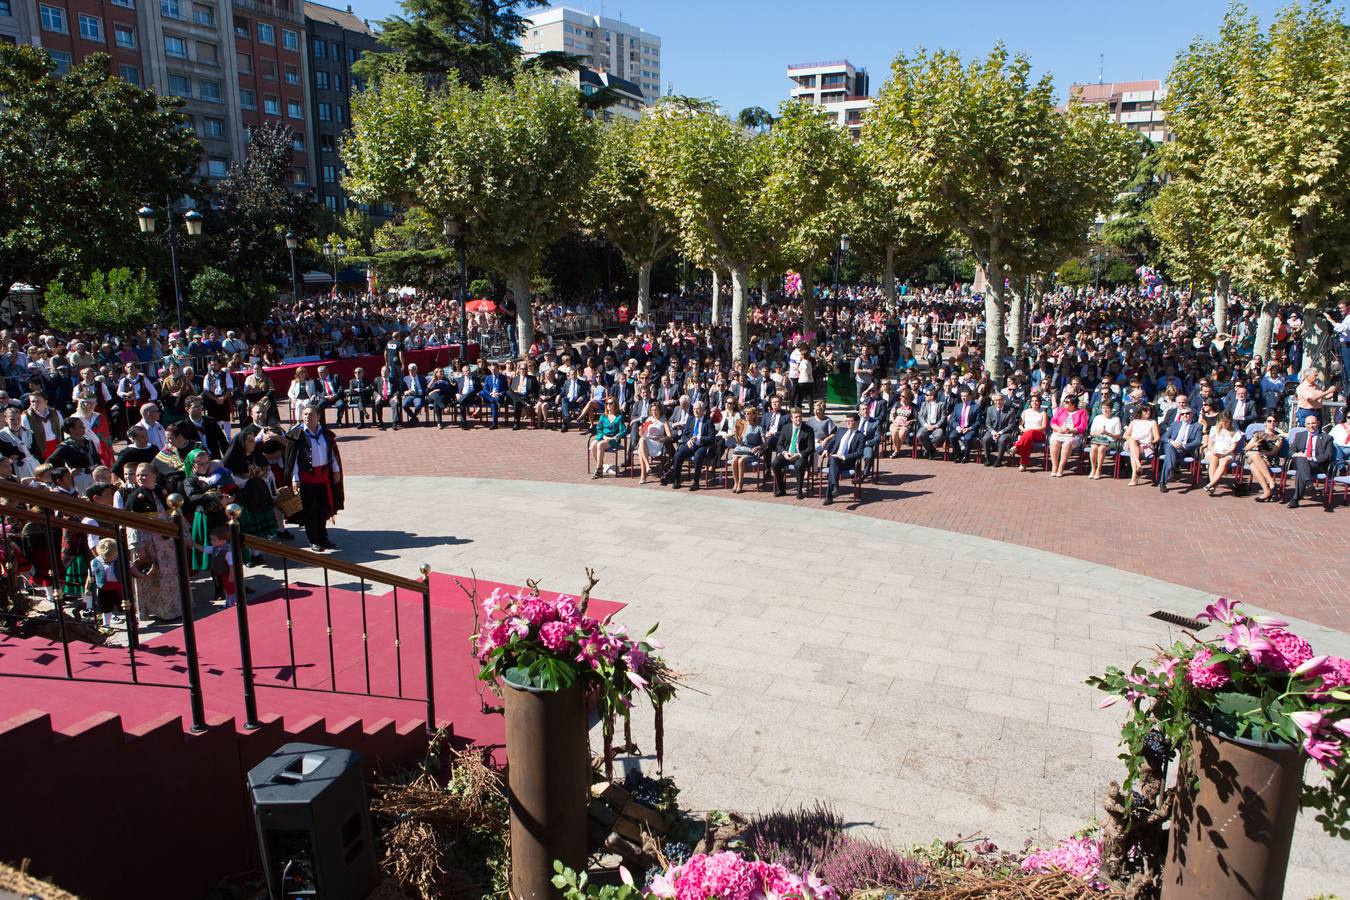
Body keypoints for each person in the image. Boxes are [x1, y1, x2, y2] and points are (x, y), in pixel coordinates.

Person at [123, 463, 181, 622]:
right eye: (138, 475)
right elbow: (131, 525)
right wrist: (137, 546)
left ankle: (173, 608)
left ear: (154, 475)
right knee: (152, 578)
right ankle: (155, 610)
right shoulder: (134, 497)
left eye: (144, 474)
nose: (140, 478)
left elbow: (175, 515)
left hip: (167, 544)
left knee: (170, 577)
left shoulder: (163, 492)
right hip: (147, 544)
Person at [284, 407, 344, 551]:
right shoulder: (297, 435)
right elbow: (294, 461)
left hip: (324, 478)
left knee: (324, 509)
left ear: (318, 416)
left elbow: (332, 454)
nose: (307, 417)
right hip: (307, 479)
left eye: (310, 414)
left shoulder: (325, 434)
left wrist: (336, 471)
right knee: (311, 511)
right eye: (305, 414)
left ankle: (323, 537)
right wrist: (295, 478)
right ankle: (313, 539)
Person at [665, 400, 713, 490]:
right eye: (694, 409)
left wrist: (699, 438)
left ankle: (696, 482)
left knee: (698, 456)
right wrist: (688, 441)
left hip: (702, 445)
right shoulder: (690, 419)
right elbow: (685, 434)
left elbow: (711, 438)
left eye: (698, 409)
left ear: (703, 410)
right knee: (678, 454)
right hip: (691, 444)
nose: (695, 411)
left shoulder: (708, 422)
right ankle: (677, 480)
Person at [1287, 414, 1333, 509]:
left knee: (1300, 471)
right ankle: (1308, 483)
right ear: (1305, 425)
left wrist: (1312, 458)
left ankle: (1295, 499)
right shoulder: (1299, 435)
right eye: (1308, 424)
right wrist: (1298, 454)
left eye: (1313, 423)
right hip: (1300, 461)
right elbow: (1291, 450)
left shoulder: (1327, 438)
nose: (1311, 426)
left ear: (1318, 423)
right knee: (1301, 459)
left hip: (1315, 464)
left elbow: (1328, 455)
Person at [771, 406, 814, 499]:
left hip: (800, 455)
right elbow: (779, 445)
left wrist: (798, 454)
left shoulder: (808, 430)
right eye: (796, 417)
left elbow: (811, 447)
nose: (798, 419)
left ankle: (799, 491)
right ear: (791, 418)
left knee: (799, 465)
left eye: (800, 417)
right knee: (775, 464)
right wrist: (784, 453)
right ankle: (782, 489)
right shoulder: (786, 428)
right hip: (788, 454)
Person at [1158, 406, 1203, 493]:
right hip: (1171, 446)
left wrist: (1184, 446)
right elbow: (1164, 437)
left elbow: (1197, 441)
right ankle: (1171, 469)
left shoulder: (1197, 426)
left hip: (1183, 450)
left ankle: (1163, 482)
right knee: (1169, 447)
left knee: (1168, 456)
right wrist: (1172, 441)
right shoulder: (1175, 424)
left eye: (1187, 413)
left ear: (1192, 414)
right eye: (1182, 414)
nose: (1185, 415)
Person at [824, 412, 866, 505]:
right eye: (847, 421)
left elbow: (859, 453)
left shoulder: (861, 436)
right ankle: (834, 486)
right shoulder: (841, 430)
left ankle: (830, 495)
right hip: (835, 460)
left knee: (832, 469)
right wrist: (826, 449)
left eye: (850, 421)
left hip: (847, 462)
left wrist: (843, 456)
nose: (848, 423)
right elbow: (832, 442)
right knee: (833, 459)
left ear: (857, 422)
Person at [1245, 415, 1286, 502]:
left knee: (1253, 459)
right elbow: (1246, 449)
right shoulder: (1258, 434)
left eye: (1274, 421)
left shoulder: (1279, 437)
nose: (1272, 423)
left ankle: (1268, 488)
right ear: (1265, 423)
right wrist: (1253, 444)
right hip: (1258, 458)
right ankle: (1269, 487)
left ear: (1276, 423)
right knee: (1253, 460)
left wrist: (1260, 454)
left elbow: (1274, 452)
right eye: (1269, 421)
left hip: (1270, 459)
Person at [88, 538, 124, 630]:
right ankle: (106, 625)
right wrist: (87, 587)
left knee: (124, 605)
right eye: (105, 557)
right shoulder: (95, 562)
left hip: (118, 587)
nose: (108, 559)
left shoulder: (119, 560)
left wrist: (141, 575)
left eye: (111, 556)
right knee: (106, 607)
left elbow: (131, 568)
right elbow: (91, 576)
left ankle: (132, 621)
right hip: (103, 588)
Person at [730, 406, 765, 493]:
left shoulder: (758, 427)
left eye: (748, 413)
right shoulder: (741, 424)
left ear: (753, 415)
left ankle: (741, 483)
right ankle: (736, 482)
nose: (746, 415)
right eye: (745, 413)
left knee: (741, 460)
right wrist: (736, 435)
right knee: (734, 460)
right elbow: (738, 442)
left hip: (752, 449)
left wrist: (758, 447)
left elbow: (765, 443)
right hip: (741, 448)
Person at [1124, 404, 1161, 487]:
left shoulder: (1152, 422)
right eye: (1145, 410)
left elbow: (1157, 437)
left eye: (1149, 410)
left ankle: (1134, 476)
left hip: (1146, 445)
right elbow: (1125, 435)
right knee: (1132, 440)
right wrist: (1133, 439)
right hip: (1133, 443)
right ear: (1141, 411)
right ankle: (1138, 466)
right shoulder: (1134, 422)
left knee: (1133, 453)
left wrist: (1152, 442)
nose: (1148, 412)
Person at [589, 397, 625, 479]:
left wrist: (617, 436)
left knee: (600, 444)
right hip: (603, 437)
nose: (608, 405)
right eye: (607, 403)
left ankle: (598, 469)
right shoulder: (603, 416)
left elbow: (623, 431)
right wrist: (603, 436)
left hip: (613, 439)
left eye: (611, 403)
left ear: (615, 405)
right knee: (593, 444)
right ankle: (600, 467)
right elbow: (599, 429)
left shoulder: (619, 417)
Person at [1087, 399, 1123, 480]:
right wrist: (1099, 433)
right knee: (1093, 447)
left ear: (1111, 409)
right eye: (1103, 408)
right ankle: (1093, 469)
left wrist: (1107, 433)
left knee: (1101, 448)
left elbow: (1118, 435)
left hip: (1110, 441)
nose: (1105, 410)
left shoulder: (1116, 419)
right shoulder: (1097, 418)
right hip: (1098, 439)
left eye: (1107, 408)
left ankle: (1099, 470)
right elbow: (1091, 433)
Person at [637, 403, 672, 485]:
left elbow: (670, 436)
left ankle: (643, 475)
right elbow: (641, 434)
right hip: (647, 442)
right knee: (641, 440)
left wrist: (661, 439)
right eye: (652, 410)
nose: (654, 412)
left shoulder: (663, 420)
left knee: (640, 451)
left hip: (657, 443)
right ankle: (647, 466)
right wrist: (640, 429)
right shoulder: (649, 420)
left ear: (659, 410)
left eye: (656, 410)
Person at [982, 392, 1019, 468]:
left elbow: (1011, 425)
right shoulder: (990, 409)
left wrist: (1000, 432)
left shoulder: (1010, 410)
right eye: (996, 400)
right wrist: (993, 432)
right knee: (985, 439)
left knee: (1002, 440)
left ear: (1003, 400)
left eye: (1000, 400)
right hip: (993, 431)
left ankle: (999, 460)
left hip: (1005, 432)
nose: (998, 402)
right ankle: (988, 459)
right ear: (993, 401)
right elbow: (988, 424)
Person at [1013, 394, 1049, 472]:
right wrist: (1023, 430)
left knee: (1030, 433)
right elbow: (1020, 425)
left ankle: (1016, 446)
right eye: (1032, 401)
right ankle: (1023, 464)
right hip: (1027, 434)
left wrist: (1031, 430)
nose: (1034, 403)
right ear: (1030, 403)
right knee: (1028, 441)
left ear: (1039, 403)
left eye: (1036, 401)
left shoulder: (1043, 413)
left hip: (1039, 434)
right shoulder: (1026, 412)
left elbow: (1044, 427)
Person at [947, 388, 981, 464]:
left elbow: (978, 421)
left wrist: (970, 428)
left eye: (965, 396)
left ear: (969, 397)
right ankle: (958, 455)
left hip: (969, 428)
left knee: (968, 438)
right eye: (962, 396)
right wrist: (957, 427)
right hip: (959, 428)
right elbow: (953, 420)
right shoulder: (957, 406)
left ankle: (966, 455)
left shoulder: (976, 406)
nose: (963, 398)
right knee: (952, 437)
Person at [373, 365, 401, 430]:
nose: (384, 372)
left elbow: (398, 390)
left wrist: (396, 396)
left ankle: (395, 423)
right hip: (381, 397)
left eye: (385, 371)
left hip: (391, 397)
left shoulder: (393, 379)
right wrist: (377, 395)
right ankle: (380, 421)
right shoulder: (377, 379)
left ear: (389, 372)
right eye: (382, 371)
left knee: (395, 403)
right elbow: (374, 390)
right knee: (377, 404)